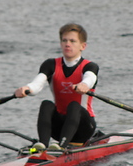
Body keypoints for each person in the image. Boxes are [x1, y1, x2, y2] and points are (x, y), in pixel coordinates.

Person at [15, 23, 99, 151]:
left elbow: (90, 78)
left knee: (74, 105)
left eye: (72, 41)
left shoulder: (90, 66)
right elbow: (37, 83)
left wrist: (84, 85)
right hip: (59, 128)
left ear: (83, 46)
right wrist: (27, 89)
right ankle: (42, 145)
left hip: (84, 128)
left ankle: (61, 147)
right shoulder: (50, 64)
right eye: (64, 40)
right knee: (46, 104)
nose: (67, 44)